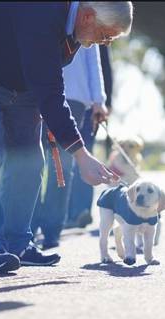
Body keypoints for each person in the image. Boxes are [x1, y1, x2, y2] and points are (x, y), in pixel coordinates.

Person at [0, 2, 133, 274]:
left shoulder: (76, 27)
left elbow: (47, 83)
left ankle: (17, 243)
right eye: (105, 36)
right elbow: (51, 93)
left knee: (30, 163)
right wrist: (81, 154)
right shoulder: (43, 11)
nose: (104, 44)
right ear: (88, 16)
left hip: (23, 87)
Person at [31, 45, 108, 250]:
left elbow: (93, 61)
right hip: (38, 90)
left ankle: (51, 230)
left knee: (61, 167)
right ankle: (28, 227)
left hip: (74, 96)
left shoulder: (87, 16)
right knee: (33, 161)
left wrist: (99, 100)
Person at [66, 45, 114, 229]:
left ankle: (78, 212)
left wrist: (103, 102)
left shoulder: (98, 29)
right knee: (79, 154)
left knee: (79, 155)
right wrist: (102, 101)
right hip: (85, 98)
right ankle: (76, 211)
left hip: (85, 102)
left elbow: (102, 66)